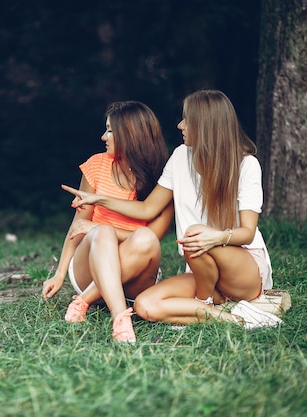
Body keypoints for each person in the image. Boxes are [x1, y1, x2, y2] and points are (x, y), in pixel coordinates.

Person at [62, 90, 282, 329]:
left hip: (242, 265)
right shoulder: (180, 157)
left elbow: (247, 232)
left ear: (205, 124)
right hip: (201, 269)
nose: (180, 125)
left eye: (186, 119)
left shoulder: (246, 165)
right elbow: (147, 209)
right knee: (145, 305)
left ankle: (202, 302)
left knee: (195, 232)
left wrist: (215, 237)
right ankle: (237, 319)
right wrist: (98, 199)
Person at [42, 101, 173, 343]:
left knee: (141, 237)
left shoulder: (163, 179)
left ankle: (84, 302)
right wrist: (59, 274)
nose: (104, 137)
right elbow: (79, 225)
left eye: (111, 131)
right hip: (89, 269)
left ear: (131, 135)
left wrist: (101, 227)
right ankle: (120, 319)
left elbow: (152, 239)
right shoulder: (96, 165)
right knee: (101, 233)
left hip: (135, 276)